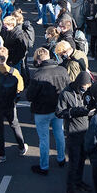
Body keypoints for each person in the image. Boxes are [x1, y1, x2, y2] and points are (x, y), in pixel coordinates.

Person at [26, 47, 69, 175]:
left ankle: (44, 166)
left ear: (38, 60)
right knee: (59, 133)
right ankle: (61, 159)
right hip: (58, 108)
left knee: (44, 139)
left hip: (42, 111)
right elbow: (68, 87)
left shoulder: (38, 74)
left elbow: (30, 96)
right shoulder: (62, 70)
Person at [0, 46, 27, 159]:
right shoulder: (14, 71)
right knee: (15, 124)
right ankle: (21, 147)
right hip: (11, 104)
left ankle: (1, 154)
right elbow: (20, 87)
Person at [58, 70, 94, 193]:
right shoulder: (66, 93)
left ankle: (79, 182)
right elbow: (59, 112)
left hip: (86, 132)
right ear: (79, 84)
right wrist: (77, 112)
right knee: (73, 163)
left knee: (82, 160)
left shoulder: (88, 92)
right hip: (73, 133)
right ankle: (70, 190)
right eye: (84, 86)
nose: (86, 88)